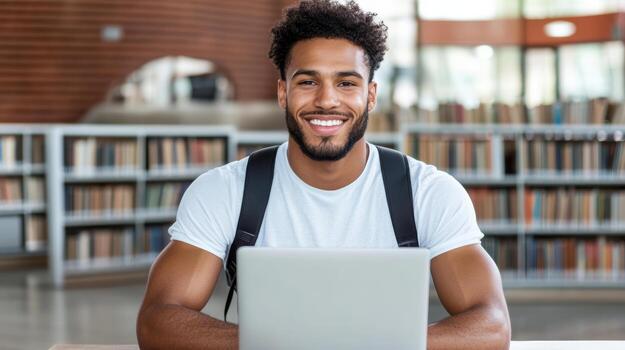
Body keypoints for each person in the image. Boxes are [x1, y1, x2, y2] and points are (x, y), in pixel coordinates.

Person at [136, 1, 511, 349]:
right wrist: (286, 344)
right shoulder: (224, 191)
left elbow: (492, 326)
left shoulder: (429, 193)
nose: (327, 100)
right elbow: (157, 321)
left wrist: (366, 344)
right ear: (283, 92)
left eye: (346, 82)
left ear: (371, 94)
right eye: (308, 81)